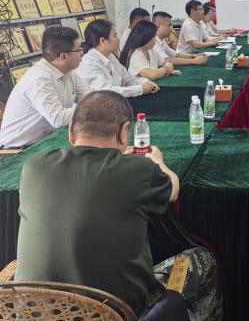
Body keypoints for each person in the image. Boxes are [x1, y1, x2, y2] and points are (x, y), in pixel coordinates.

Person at [15, 91, 222, 319]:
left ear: (71, 133)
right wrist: (158, 162)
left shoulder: (34, 166)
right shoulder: (139, 170)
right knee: (203, 258)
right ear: (125, 132)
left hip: (31, 311)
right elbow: (173, 190)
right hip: (112, 312)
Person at [0, 26, 91, 149]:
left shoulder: (69, 72)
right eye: (79, 50)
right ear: (63, 56)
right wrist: (91, 108)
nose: (82, 53)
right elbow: (59, 119)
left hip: (46, 140)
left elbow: (90, 97)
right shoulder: (39, 78)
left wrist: (93, 104)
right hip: (17, 150)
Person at [78, 20, 159, 97]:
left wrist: (144, 82)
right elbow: (107, 93)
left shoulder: (110, 56)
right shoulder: (89, 64)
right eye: (115, 36)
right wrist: (140, 89)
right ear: (103, 41)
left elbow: (127, 78)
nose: (118, 40)